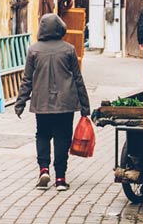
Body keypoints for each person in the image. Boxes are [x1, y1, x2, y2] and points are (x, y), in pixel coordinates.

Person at [14, 13, 93, 190]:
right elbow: (77, 78)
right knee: (62, 138)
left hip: (41, 104)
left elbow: (27, 80)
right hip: (65, 104)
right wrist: (85, 106)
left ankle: (43, 170)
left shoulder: (34, 50)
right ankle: (60, 179)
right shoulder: (69, 49)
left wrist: (20, 103)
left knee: (42, 135)